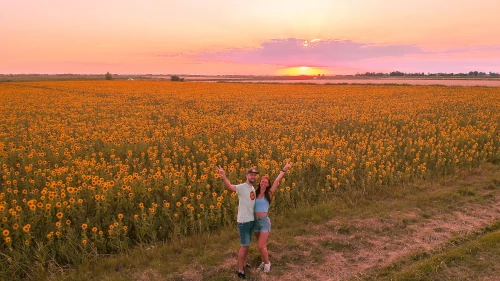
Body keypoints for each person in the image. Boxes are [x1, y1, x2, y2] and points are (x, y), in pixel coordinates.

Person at [216, 166, 259, 279]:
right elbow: (230, 186)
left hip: (251, 220)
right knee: (244, 246)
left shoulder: (252, 188)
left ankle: (245, 263)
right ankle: (240, 270)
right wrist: (223, 176)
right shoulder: (242, 187)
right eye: (251, 175)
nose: (253, 176)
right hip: (244, 221)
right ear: (247, 176)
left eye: (255, 175)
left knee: (247, 244)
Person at [254, 161, 291, 273]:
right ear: (260, 183)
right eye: (262, 181)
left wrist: (284, 169)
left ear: (268, 184)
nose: (264, 183)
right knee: (261, 245)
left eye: (266, 182)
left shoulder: (269, 194)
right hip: (255, 222)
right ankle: (263, 260)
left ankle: (267, 263)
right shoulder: (254, 193)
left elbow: (277, 180)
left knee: (261, 246)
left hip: (264, 222)